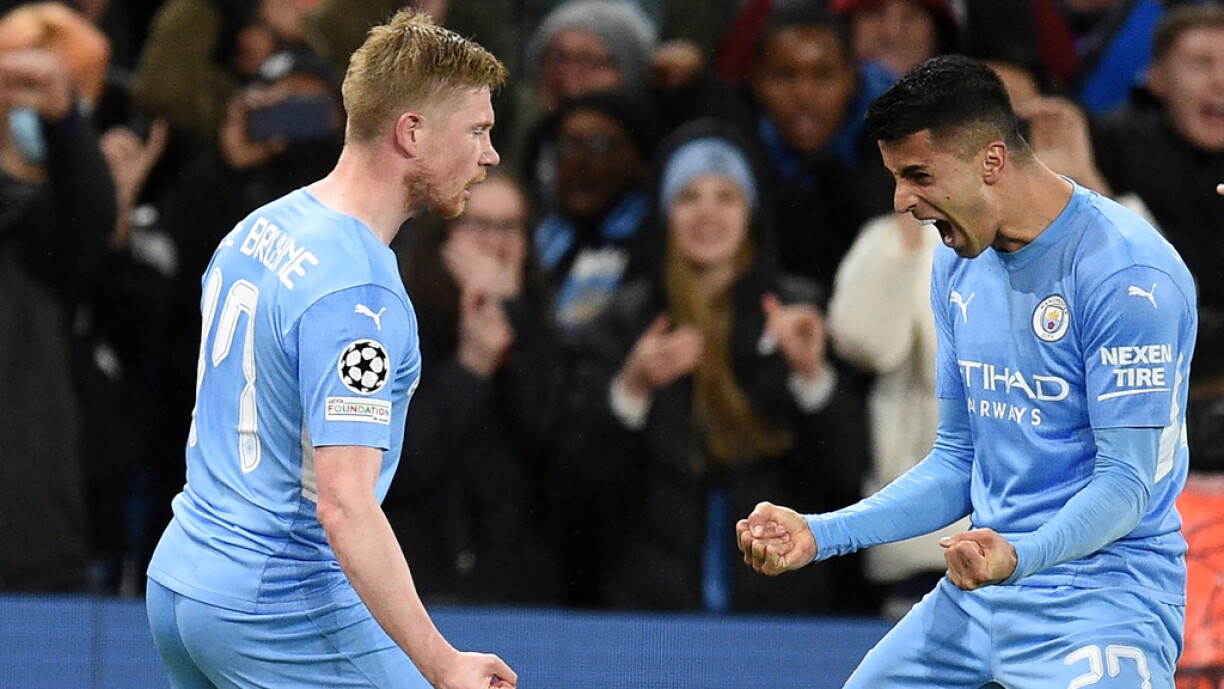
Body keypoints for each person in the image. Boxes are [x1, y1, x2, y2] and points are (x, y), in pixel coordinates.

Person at [738, 55, 1196, 688]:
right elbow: (958, 460)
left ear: (992, 160)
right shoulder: (957, 263)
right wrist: (821, 535)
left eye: (918, 175)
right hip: (983, 592)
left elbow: (1127, 482)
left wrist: (1021, 554)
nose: (902, 201)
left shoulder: (1127, 274)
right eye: (896, 177)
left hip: (1102, 599)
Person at [144, 9, 517, 688]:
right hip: (277, 603)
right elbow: (343, 502)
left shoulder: (259, 228)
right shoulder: (358, 294)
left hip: (182, 578)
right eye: (477, 131)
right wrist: (443, 662)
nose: (489, 154)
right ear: (412, 132)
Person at [555, 119, 869, 612]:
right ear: (666, 214)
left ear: (750, 212)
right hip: (648, 611)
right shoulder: (625, 322)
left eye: (726, 197)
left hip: (783, 610)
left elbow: (847, 472)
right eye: (689, 197)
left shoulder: (800, 313)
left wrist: (812, 377)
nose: (707, 213)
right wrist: (631, 389)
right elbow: (581, 493)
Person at [384, 172, 566, 606]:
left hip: (521, 596)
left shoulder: (542, 333)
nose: (494, 244)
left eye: (509, 228)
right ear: (443, 236)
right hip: (420, 588)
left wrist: (516, 317)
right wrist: (469, 369)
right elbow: (397, 466)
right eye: (478, 225)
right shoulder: (398, 326)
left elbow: (560, 454)